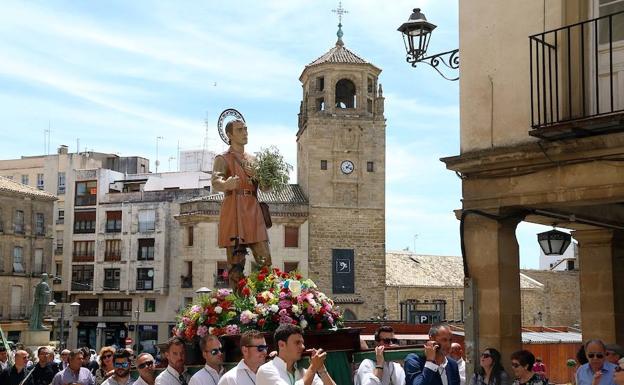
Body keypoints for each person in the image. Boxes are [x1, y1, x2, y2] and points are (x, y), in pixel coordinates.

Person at [211, 119, 272, 289]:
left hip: (253, 212)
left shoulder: (254, 160)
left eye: (246, 129)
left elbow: (267, 187)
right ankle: (238, 305)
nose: (245, 133)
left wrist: (258, 175)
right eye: (239, 130)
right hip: (234, 212)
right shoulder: (222, 158)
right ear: (229, 135)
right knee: (235, 265)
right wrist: (226, 185)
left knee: (265, 261)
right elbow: (216, 181)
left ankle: (266, 300)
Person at [256, 324, 336, 385]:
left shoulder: (304, 372)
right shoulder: (266, 370)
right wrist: (313, 367)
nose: (303, 347)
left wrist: (321, 369)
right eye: (297, 343)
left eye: (302, 343)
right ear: (281, 345)